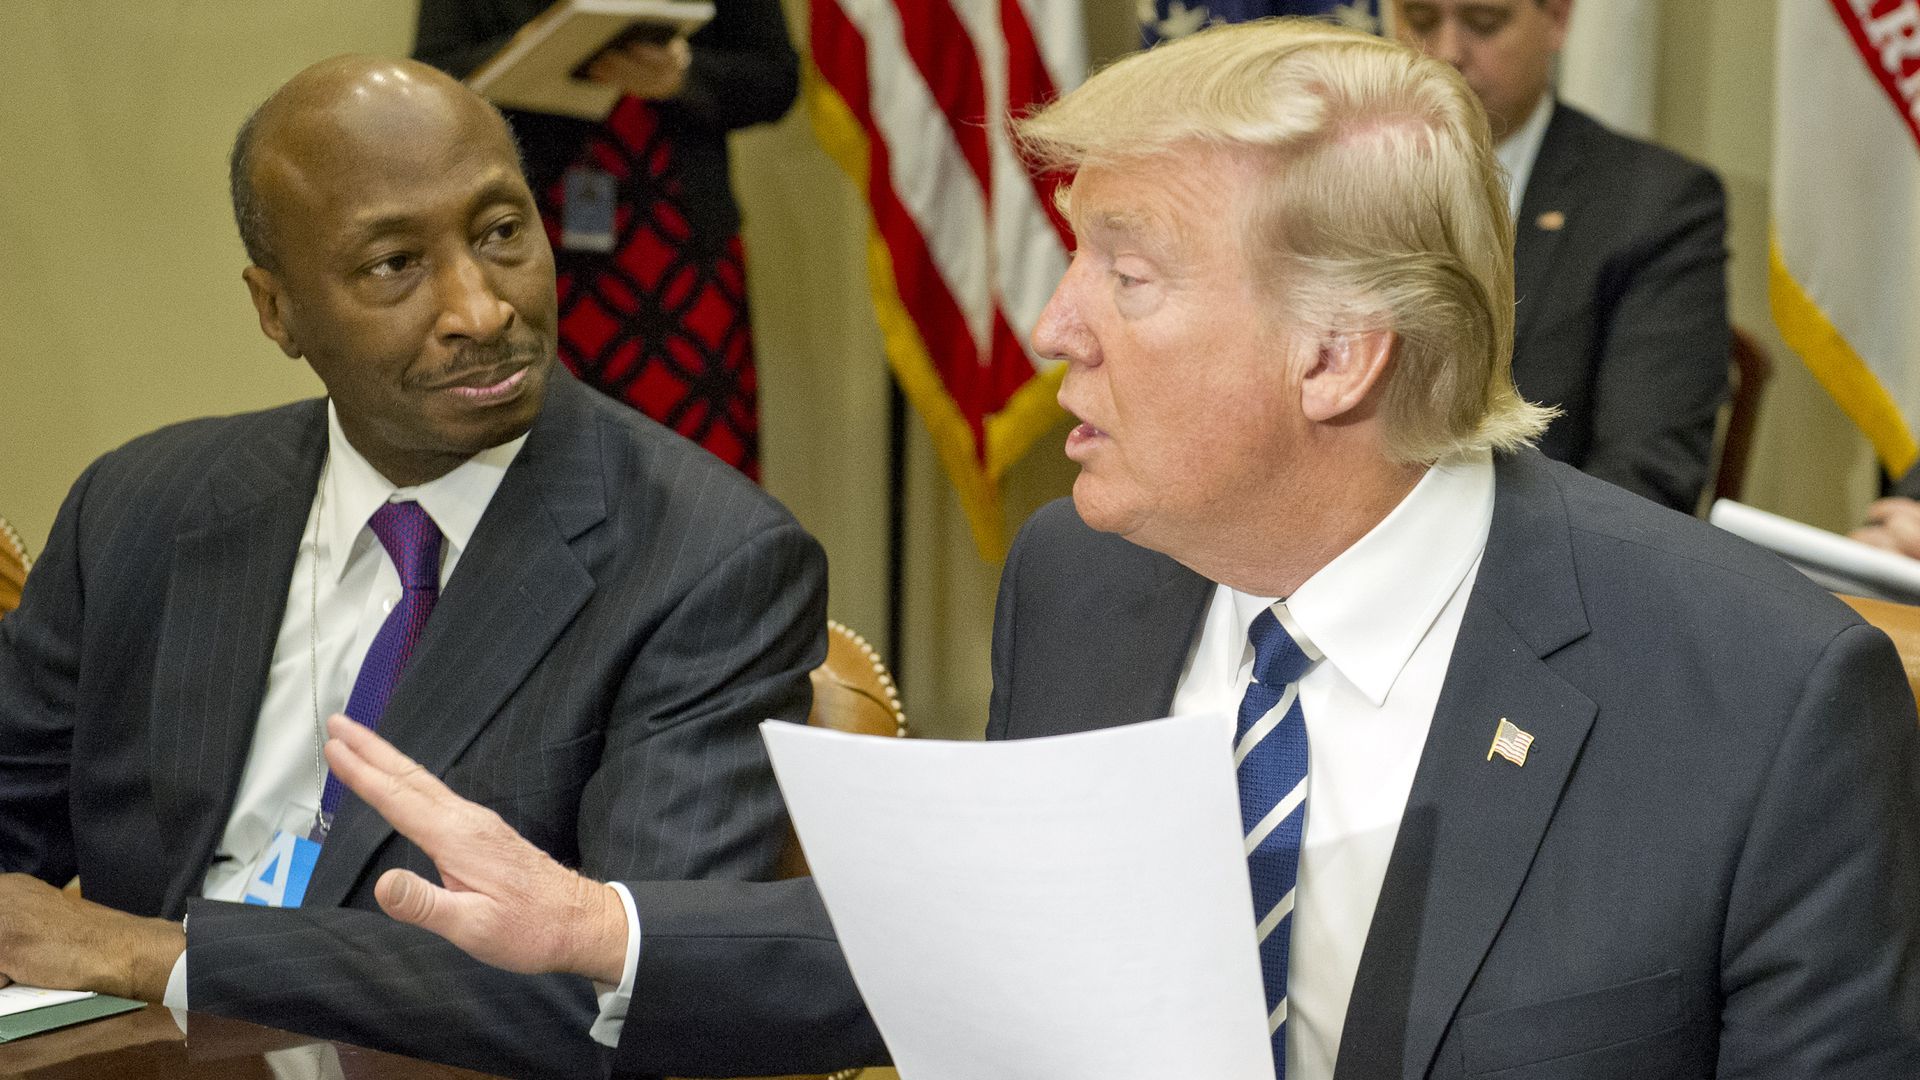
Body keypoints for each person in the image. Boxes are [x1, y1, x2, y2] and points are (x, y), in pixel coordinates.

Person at [328, 20, 1920, 1080]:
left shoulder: (1764, 703)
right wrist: (601, 927)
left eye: (1127, 274)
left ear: (1336, 356)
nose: (1054, 326)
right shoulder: (1090, 580)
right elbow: (999, 940)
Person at [0, 55, 825, 1079]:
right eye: (394, 263)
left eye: (501, 232)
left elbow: (628, 987)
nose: (481, 310)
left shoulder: (706, 562)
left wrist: (158, 954)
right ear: (276, 310)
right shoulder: (142, 507)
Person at [414, 0, 800, 480]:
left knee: (697, 479)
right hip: (528, 242)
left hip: (680, 241)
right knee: (545, 468)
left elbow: (776, 78)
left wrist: (684, 75)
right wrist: (542, 53)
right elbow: (431, 81)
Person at [1392, 0, 1730, 514]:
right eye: (1420, 20)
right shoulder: (1327, 177)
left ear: (1556, 19)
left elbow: (1640, 483)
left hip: (1528, 546)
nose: (1446, 53)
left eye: (1483, 23)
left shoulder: (1656, 203)